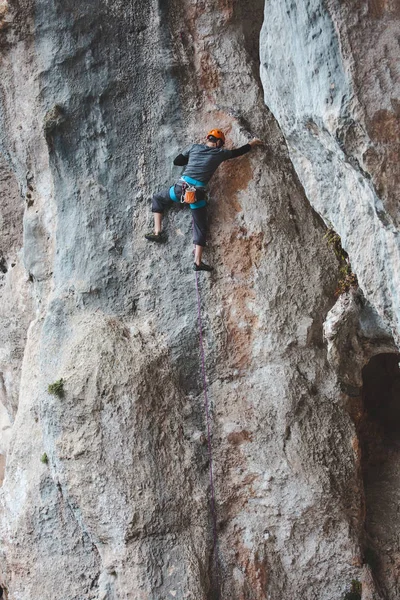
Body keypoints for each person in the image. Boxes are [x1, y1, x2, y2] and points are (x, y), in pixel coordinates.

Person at [145, 129, 262, 271]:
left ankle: (157, 232)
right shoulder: (220, 153)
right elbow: (239, 151)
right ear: (219, 143)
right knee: (200, 227)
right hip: (196, 195)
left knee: (158, 198)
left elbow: (178, 161)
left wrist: (193, 157)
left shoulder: (194, 148)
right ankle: (198, 262)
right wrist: (253, 143)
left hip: (180, 189)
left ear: (208, 139)